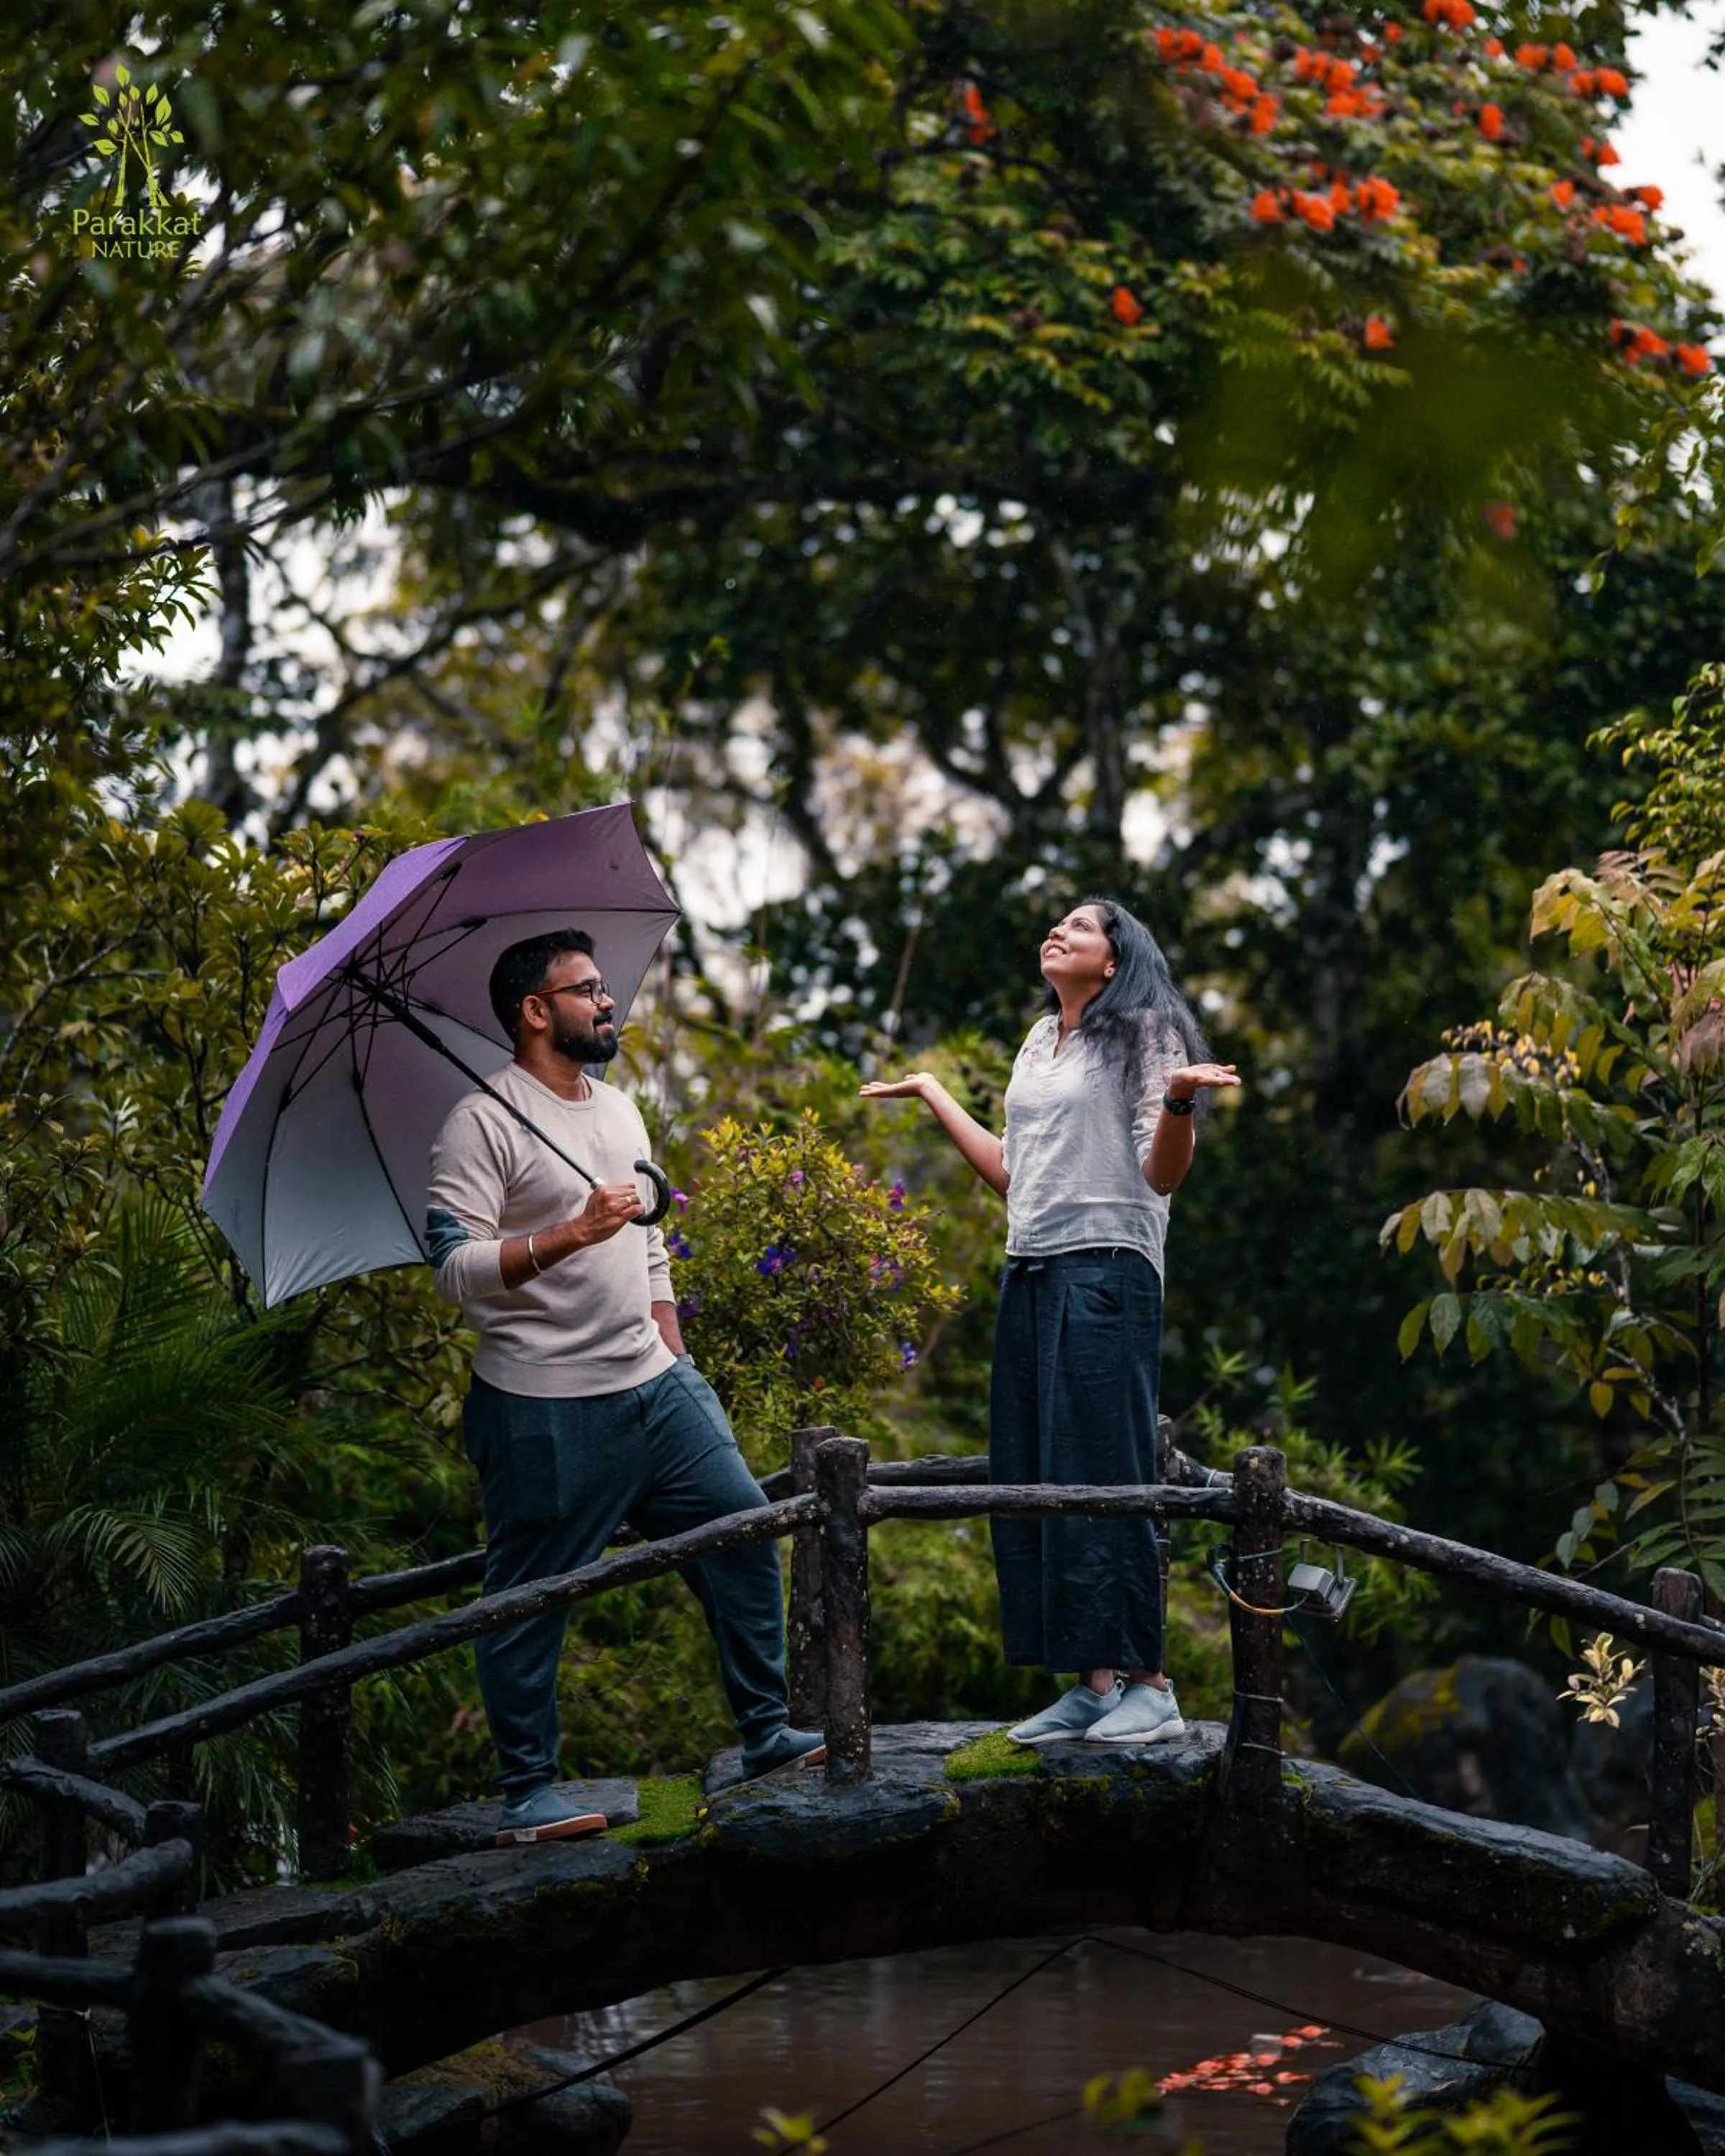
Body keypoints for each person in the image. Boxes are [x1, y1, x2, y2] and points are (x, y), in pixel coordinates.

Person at [427, 929, 825, 1844]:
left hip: (657, 1388)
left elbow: (649, 1243)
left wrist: (676, 1358)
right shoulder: (480, 1122)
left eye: (605, 987)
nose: (609, 1002)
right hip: (540, 1405)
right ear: (536, 1011)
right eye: (586, 989)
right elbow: (454, 1271)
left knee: (741, 1535)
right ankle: (528, 1793)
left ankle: (765, 1731)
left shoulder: (618, 1112)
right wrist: (570, 1232)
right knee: (529, 1599)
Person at [861, 898, 1238, 1744]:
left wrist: (1178, 1103)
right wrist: (930, 1092)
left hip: (1108, 1271)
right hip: (1031, 1267)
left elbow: (1162, 1175)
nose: (1059, 931)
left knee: (1107, 1470)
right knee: (1037, 1469)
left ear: (1114, 960)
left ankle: (1153, 1682)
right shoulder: (1041, 1043)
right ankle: (1094, 1685)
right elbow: (1015, 1175)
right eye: (1056, 923)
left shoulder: (1146, 1035)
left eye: (1082, 925)